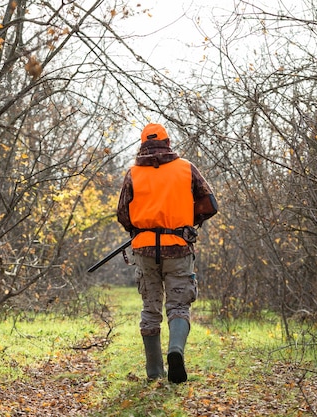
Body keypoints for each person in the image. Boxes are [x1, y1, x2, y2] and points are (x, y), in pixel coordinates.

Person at [117, 123, 218, 383]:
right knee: (178, 305)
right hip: (178, 248)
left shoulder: (132, 174)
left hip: (145, 249)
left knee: (150, 308)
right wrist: (188, 222)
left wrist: (139, 229)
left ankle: (154, 372)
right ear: (168, 142)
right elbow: (210, 204)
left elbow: (123, 215)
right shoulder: (186, 168)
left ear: (142, 145)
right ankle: (176, 350)